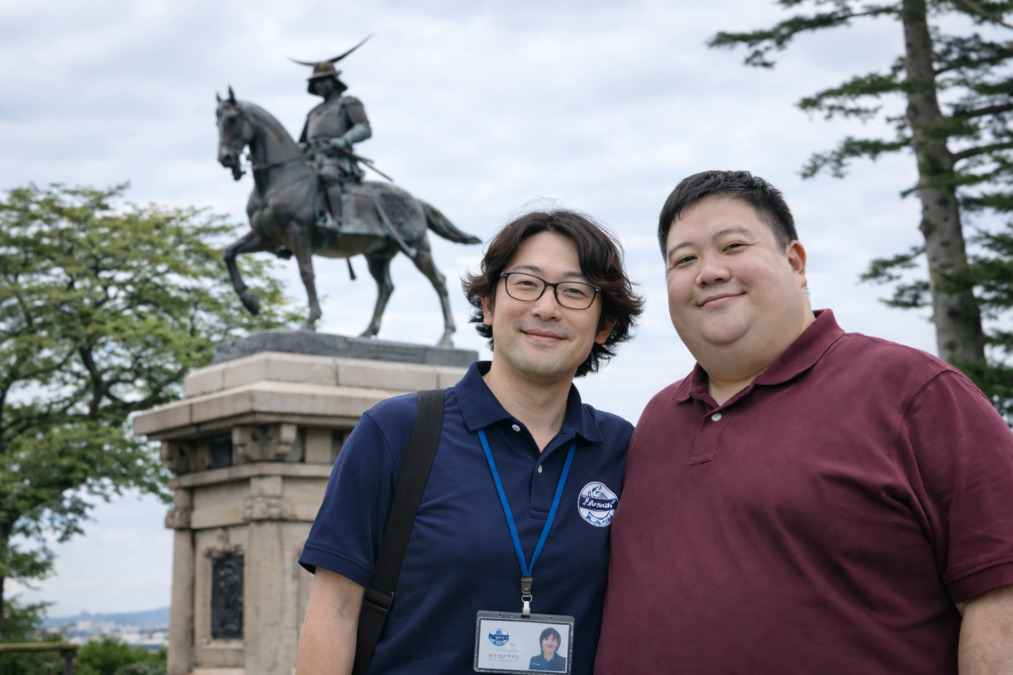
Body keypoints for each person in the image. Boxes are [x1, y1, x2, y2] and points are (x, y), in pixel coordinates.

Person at [594, 170, 1013, 674]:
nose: (708, 271)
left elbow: (1000, 600)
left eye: (732, 246)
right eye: (683, 260)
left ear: (795, 263)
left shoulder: (916, 392)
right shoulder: (656, 421)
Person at [296, 209, 644, 674]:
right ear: (487, 303)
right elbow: (335, 609)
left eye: (575, 292)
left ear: (604, 326)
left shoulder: (624, 450)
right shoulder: (398, 431)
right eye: (525, 283)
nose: (546, 307)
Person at [297, 51, 372, 234]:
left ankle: (337, 222)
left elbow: (364, 128)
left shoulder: (348, 103)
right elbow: (302, 142)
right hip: (312, 157)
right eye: (316, 82)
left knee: (327, 175)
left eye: (323, 81)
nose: (319, 85)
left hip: (336, 158)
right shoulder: (313, 112)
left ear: (334, 81)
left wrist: (344, 140)